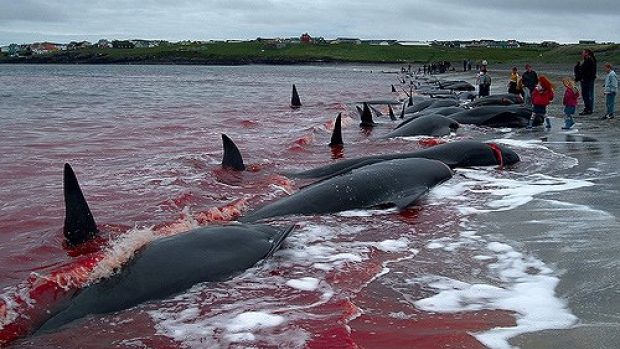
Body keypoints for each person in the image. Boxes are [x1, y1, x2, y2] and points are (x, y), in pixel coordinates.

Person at [578, 49, 597, 115]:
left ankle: (588, 109)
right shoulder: (589, 60)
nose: (582, 54)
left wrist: (583, 78)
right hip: (588, 79)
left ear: (587, 53)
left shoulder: (589, 60)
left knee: (587, 94)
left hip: (588, 80)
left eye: (583, 52)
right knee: (587, 94)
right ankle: (588, 108)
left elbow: (588, 71)